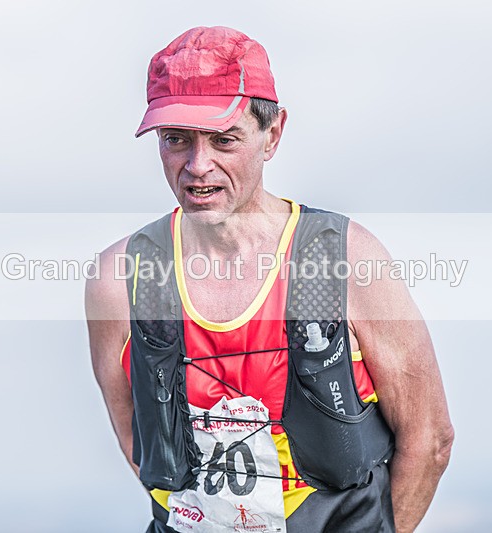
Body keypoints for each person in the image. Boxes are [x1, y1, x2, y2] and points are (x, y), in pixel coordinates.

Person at [86, 26, 454, 533]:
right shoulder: (117, 277)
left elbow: (430, 439)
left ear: (273, 134)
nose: (198, 166)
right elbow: (137, 442)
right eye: (176, 140)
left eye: (224, 139)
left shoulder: (344, 258)